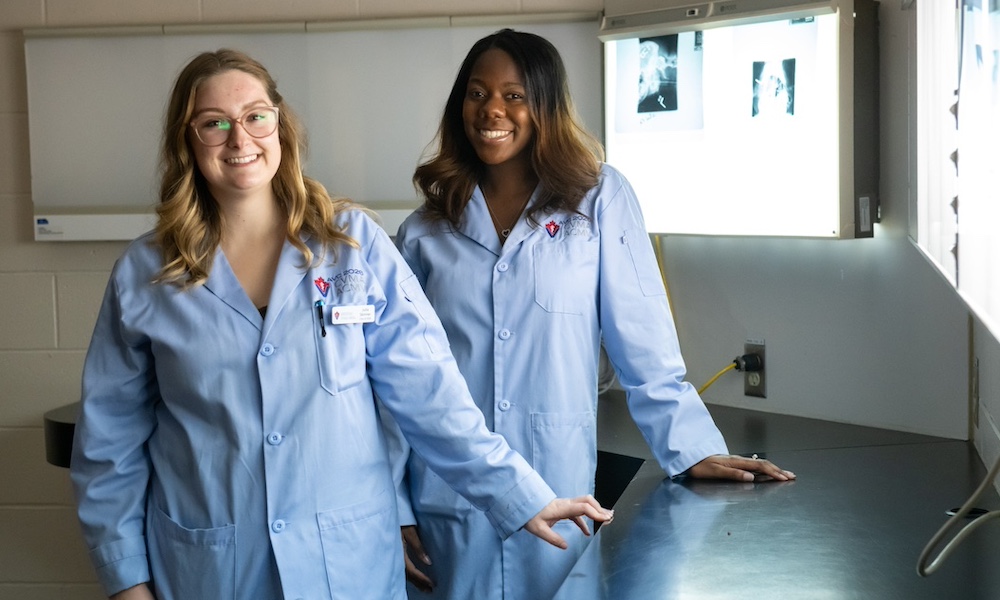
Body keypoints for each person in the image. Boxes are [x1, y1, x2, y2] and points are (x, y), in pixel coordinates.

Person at [69, 48, 613, 600]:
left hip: (346, 567)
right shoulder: (145, 273)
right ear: (187, 140)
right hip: (214, 569)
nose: (240, 139)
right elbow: (108, 443)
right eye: (215, 124)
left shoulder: (351, 245)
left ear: (281, 125)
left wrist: (521, 495)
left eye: (256, 116)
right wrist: (126, 582)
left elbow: (429, 393)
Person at [390, 29, 797, 600]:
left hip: (557, 491)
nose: (492, 111)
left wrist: (694, 450)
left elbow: (643, 340)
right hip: (447, 498)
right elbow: (397, 385)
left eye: (514, 95)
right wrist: (396, 503)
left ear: (546, 105)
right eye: (477, 93)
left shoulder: (598, 199)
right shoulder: (425, 229)